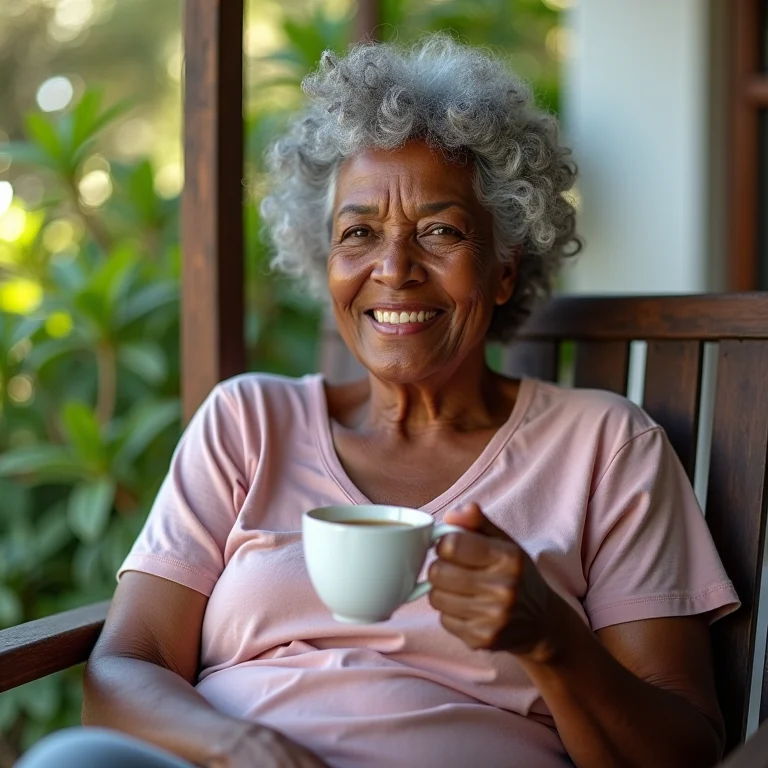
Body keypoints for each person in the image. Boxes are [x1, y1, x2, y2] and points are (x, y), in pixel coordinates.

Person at [19, 35, 738, 768]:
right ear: (324, 261)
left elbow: (684, 747)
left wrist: (550, 638)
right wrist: (237, 745)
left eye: (440, 231)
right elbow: (123, 669)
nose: (393, 270)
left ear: (502, 269)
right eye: (358, 233)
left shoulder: (605, 446)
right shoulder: (248, 424)